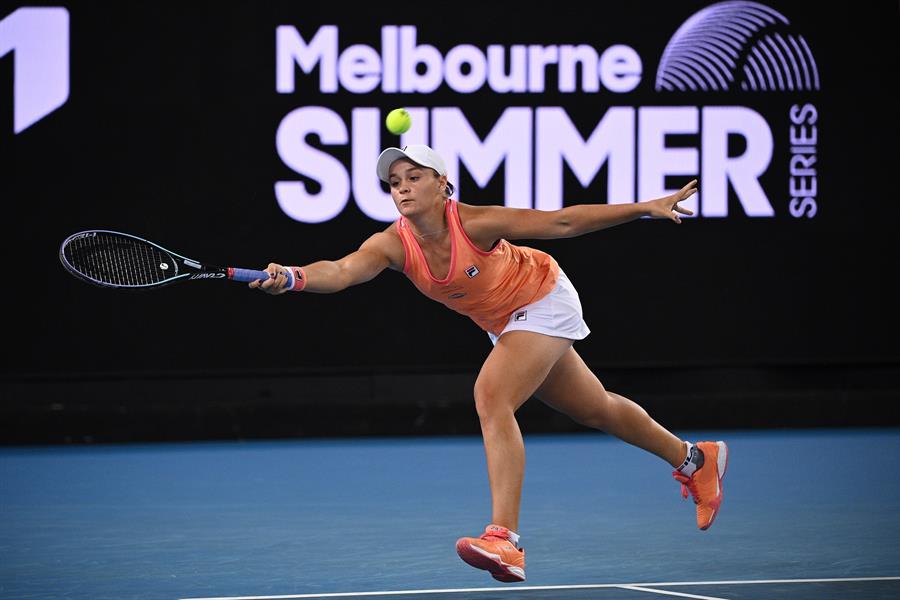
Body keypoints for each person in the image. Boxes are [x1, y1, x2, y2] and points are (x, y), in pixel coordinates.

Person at [252, 144, 728, 583]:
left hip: (543, 297)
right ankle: (695, 458)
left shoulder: (475, 222)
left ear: (442, 183)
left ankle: (505, 541)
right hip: (505, 321)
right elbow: (340, 272)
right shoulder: (391, 245)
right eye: (394, 182)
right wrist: (292, 277)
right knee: (595, 407)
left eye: (413, 177)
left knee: (491, 396)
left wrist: (643, 207)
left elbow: (561, 223)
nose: (402, 188)